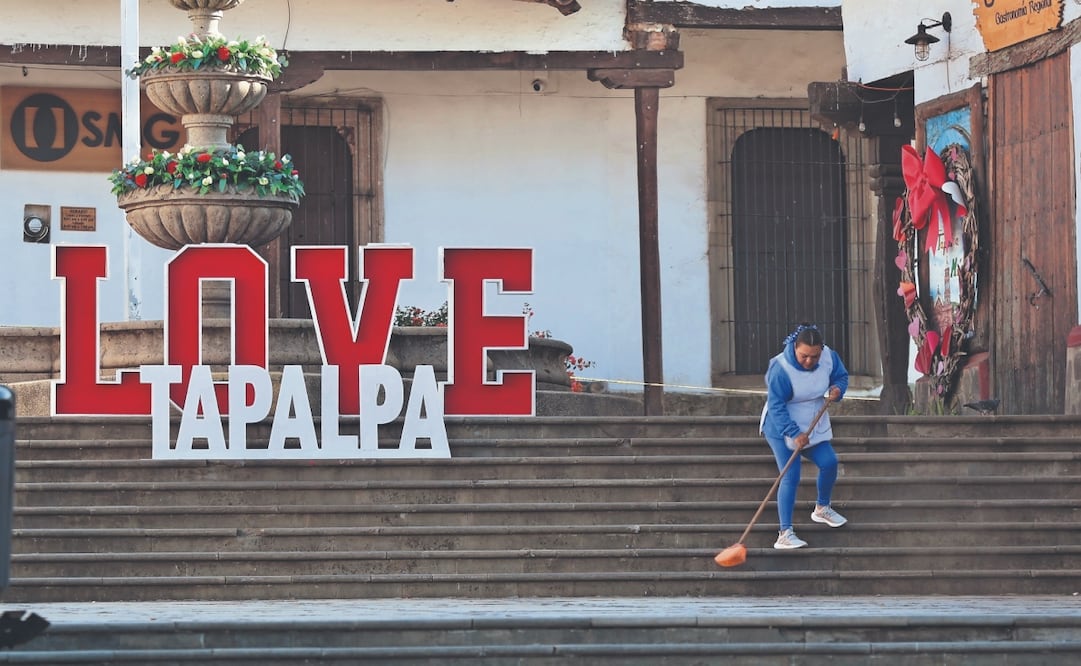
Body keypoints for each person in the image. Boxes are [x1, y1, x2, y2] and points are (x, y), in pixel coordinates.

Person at [759, 323, 849, 549]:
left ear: (822, 350)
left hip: (812, 419)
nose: (809, 361)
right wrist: (793, 433)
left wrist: (838, 389)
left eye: (814, 356)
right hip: (781, 426)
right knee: (791, 475)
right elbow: (776, 406)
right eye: (804, 356)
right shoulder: (780, 369)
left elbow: (841, 376)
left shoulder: (829, 357)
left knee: (829, 462)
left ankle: (822, 508)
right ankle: (785, 532)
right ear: (794, 347)